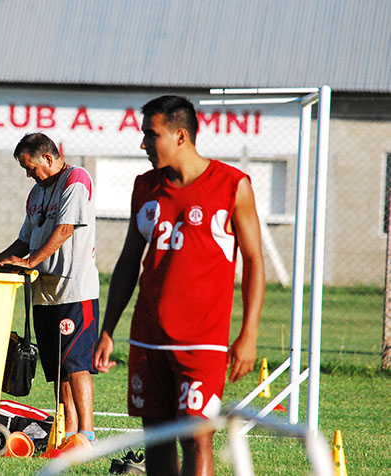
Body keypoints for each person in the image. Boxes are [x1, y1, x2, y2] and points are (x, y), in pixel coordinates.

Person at [94, 96, 265, 476]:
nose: (143, 144)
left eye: (150, 135)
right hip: (147, 335)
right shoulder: (145, 187)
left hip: (202, 340)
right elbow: (127, 263)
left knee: (196, 435)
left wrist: (249, 333)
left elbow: (253, 261)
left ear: (181, 135)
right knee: (155, 436)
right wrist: (108, 330)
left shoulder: (232, 185)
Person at [0, 133, 100, 442]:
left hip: (74, 290)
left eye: (30, 167)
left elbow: (65, 229)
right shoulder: (36, 194)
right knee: (57, 368)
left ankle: (88, 434)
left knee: (77, 365)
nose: (28, 175)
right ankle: (68, 433)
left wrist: (30, 262)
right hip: (44, 293)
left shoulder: (75, 179)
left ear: (48, 159)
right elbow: (25, 240)